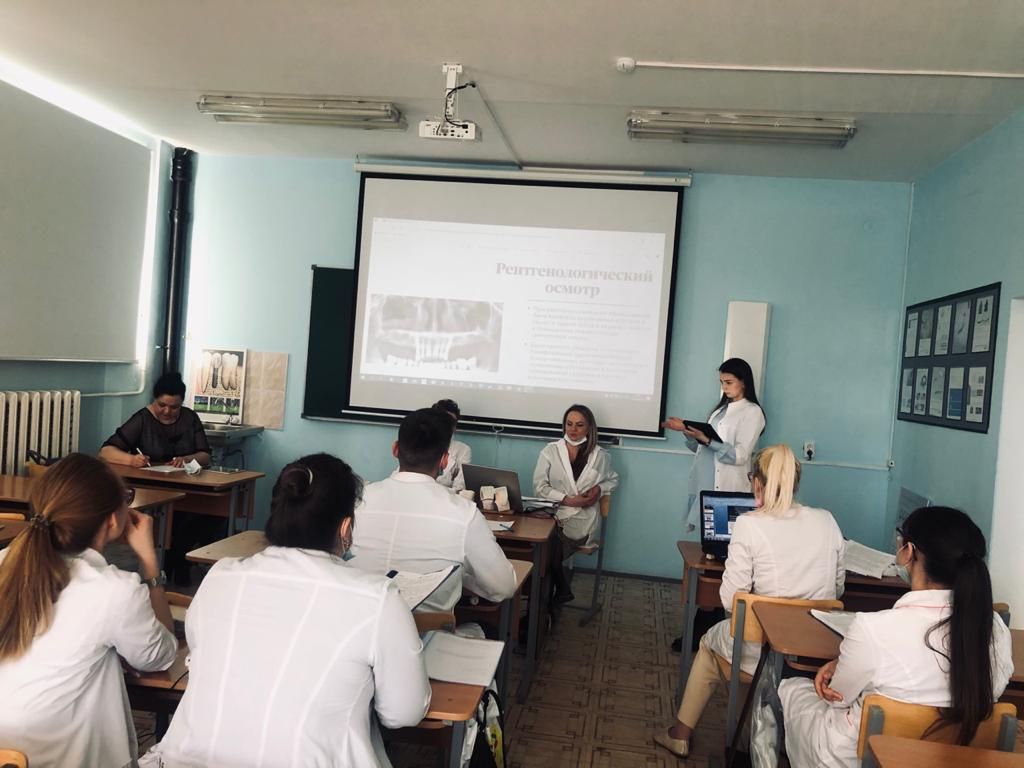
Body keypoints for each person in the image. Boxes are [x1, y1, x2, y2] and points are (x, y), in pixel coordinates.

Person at [142, 453, 431, 768]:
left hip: (187, 759)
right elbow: (403, 713)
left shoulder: (221, 575)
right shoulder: (377, 598)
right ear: (346, 527)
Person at [779, 506, 1013, 768]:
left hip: (859, 758)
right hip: (953, 758)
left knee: (790, 688)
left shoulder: (872, 628)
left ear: (909, 551)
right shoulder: (995, 629)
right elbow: (995, 686)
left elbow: (838, 697)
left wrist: (843, 667)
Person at [654, 444, 845, 759]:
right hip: (814, 655)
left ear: (756, 482)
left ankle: (681, 735)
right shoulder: (826, 520)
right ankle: (756, 731)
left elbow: (732, 602)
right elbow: (836, 590)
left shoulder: (749, 524)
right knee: (735, 646)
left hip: (762, 651)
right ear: (794, 483)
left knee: (710, 643)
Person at [0, 453, 178, 768]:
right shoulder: (113, 590)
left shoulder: (6, 563)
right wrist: (150, 563)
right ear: (113, 520)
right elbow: (160, 657)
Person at [350, 408, 516, 611]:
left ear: (395, 449)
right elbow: (503, 587)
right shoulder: (464, 513)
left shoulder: (357, 500)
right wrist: (460, 577)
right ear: (445, 460)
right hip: (423, 628)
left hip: (355, 619)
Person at [663, 357, 766, 532]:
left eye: (729, 382)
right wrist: (687, 431)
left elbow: (740, 455)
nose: (724, 387)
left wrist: (707, 440)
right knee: (707, 538)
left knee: (724, 538)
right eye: (721, 382)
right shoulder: (720, 411)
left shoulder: (752, 412)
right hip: (704, 483)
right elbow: (702, 450)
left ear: (743, 382)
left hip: (727, 484)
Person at [533, 404, 619, 604]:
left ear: (589, 428)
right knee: (542, 543)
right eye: (569, 424)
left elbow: (613, 480)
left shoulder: (600, 456)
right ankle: (552, 598)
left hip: (582, 521)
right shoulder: (550, 451)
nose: (573, 429)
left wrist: (599, 489)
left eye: (579, 425)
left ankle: (545, 605)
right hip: (551, 515)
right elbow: (539, 487)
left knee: (546, 548)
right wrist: (568, 499)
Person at [100, 371, 211, 469]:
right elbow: (105, 452)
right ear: (154, 399)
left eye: (174, 407)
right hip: (148, 480)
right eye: (161, 405)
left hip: (185, 480)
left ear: (181, 403)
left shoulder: (190, 417)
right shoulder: (142, 419)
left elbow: (205, 456)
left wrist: (186, 459)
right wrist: (131, 460)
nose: (167, 411)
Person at [433, 398, 471, 493]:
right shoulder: (419, 443)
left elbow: (459, 489)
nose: (447, 426)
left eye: (452, 422)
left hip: (446, 500)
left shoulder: (463, 450)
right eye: (444, 421)